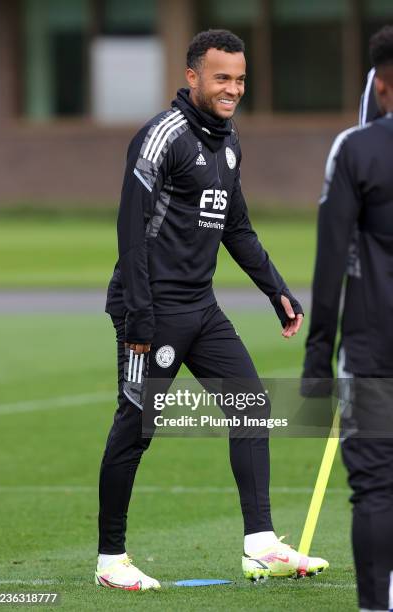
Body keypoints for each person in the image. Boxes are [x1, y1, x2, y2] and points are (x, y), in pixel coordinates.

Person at [97, 29, 328, 590]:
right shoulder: (162, 138)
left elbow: (237, 228)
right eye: (221, 77)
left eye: (240, 79)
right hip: (149, 309)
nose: (232, 89)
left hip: (201, 308)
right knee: (136, 426)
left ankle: (260, 545)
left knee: (251, 406)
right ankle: (110, 560)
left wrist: (277, 289)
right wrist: (140, 316)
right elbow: (130, 231)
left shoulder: (228, 144)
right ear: (192, 76)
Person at [302, 26, 393, 612]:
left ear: (380, 85)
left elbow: (331, 258)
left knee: (376, 490)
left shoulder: (356, 149)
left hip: (370, 350)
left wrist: (315, 362)